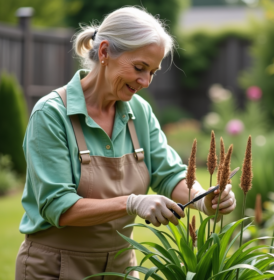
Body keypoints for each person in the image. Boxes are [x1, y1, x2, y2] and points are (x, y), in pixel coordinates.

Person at [15, 6, 236, 280]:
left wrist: (203, 201)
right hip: (56, 267)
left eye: (153, 72)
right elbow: (57, 206)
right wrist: (132, 203)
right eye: (139, 67)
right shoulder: (51, 114)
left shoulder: (139, 112)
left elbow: (169, 174)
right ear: (105, 52)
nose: (145, 81)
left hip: (123, 268)